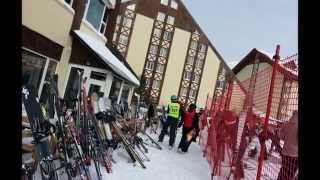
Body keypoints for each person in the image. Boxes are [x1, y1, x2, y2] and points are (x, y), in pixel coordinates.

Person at [277, 110, 298, 180]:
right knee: (290, 174)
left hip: (285, 152)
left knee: (283, 170)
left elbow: (282, 137)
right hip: (295, 155)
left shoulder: (287, 124)